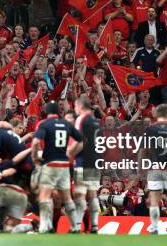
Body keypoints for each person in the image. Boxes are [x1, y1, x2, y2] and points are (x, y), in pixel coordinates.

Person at [31, 102, 83, 233]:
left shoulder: (44, 124)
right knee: (67, 197)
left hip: (49, 164)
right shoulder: (67, 124)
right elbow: (81, 140)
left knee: (45, 196)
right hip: (64, 165)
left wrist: (35, 158)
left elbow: (36, 142)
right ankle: (75, 227)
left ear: (47, 111)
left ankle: (44, 227)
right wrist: (71, 152)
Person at [142, 104, 167, 234]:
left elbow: (143, 151)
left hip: (154, 169)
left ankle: (154, 229)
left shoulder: (150, 129)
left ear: (157, 115)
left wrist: (140, 168)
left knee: (154, 200)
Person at [68, 97, 101, 233]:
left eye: (75, 106)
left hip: (82, 162)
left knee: (80, 195)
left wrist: (70, 153)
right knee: (92, 194)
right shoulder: (96, 122)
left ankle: (76, 226)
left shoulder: (81, 119)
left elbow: (81, 141)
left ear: (80, 106)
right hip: (94, 162)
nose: (75, 109)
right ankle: (94, 226)